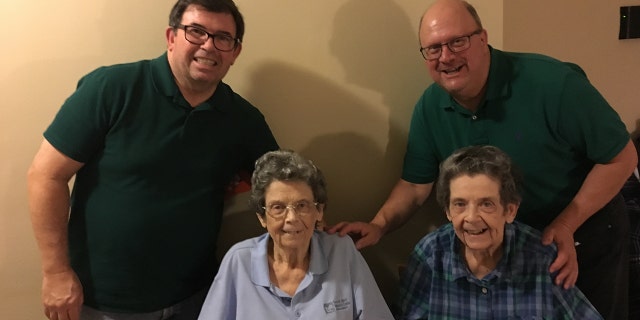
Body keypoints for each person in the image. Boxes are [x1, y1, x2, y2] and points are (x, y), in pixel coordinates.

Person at [327, 0, 638, 319]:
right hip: (505, 242)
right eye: (433, 49)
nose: (445, 57)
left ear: (482, 38)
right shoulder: (430, 107)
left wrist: (566, 225)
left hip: (584, 228)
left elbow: (622, 158)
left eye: (457, 41)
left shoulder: (554, 84)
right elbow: (416, 184)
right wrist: (379, 225)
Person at [26, 0, 278, 319]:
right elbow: (45, 176)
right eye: (196, 32)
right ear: (171, 36)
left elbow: (280, 184)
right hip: (98, 300)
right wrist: (56, 273)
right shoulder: (111, 88)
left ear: (235, 52)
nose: (209, 45)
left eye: (222, 37)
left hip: (198, 297)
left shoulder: (243, 119)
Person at [395, 145, 603, 319]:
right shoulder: (430, 256)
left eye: (486, 204)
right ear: (448, 211)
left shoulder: (541, 258)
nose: (472, 217)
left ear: (510, 211)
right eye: (460, 204)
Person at [198, 150, 393, 319]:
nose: (291, 218)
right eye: (278, 207)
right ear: (262, 217)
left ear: (319, 211)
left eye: (302, 205)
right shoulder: (239, 260)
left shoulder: (341, 251)